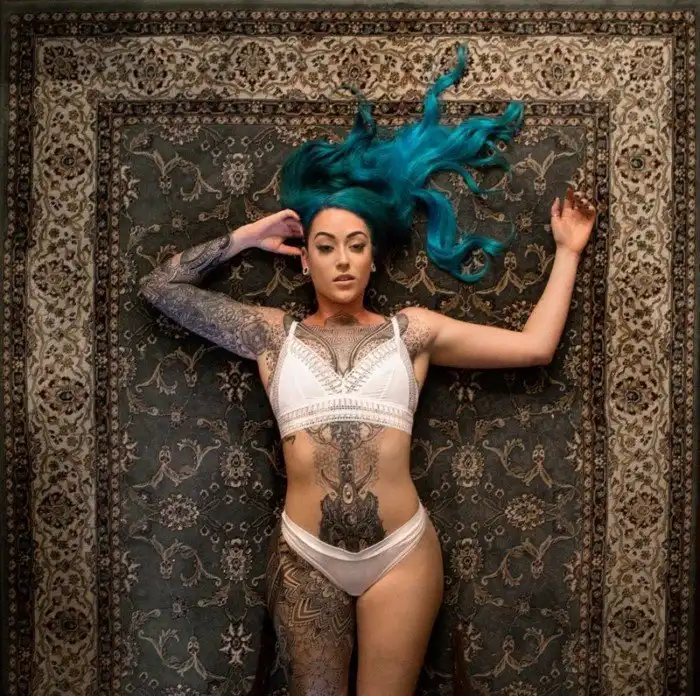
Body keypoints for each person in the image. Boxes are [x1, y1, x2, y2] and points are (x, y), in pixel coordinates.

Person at [139, 45, 595, 696]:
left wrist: (569, 251)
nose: (343, 260)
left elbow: (535, 347)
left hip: (401, 554)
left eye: (357, 246)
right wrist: (246, 237)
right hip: (307, 556)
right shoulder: (271, 335)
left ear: (374, 257)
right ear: (305, 260)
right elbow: (160, 289)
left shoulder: (415, 332)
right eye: (325, 247)